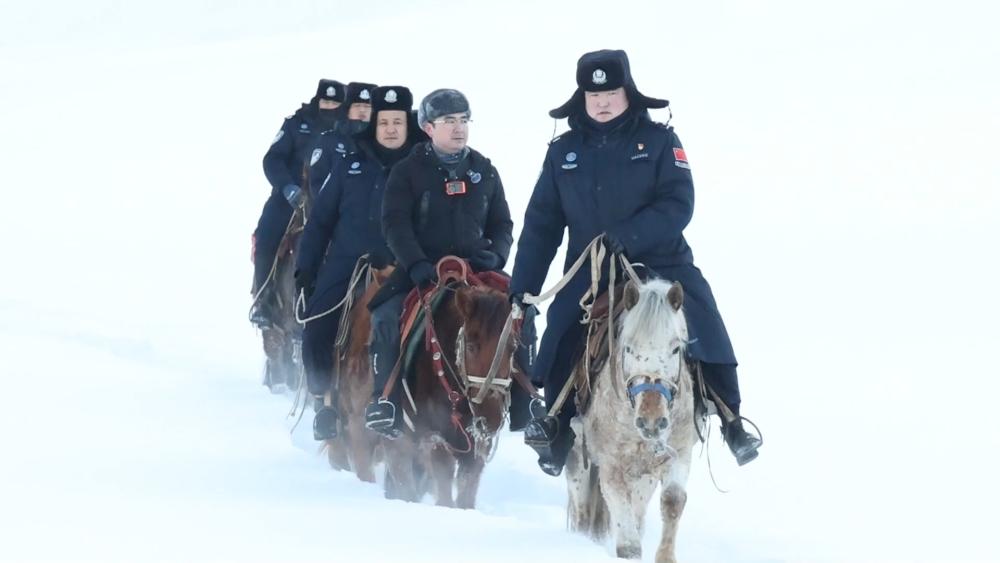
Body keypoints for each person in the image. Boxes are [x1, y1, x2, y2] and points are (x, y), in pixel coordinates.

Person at [508, 49, 763, 476]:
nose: (602, 102)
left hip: (663, 261)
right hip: (591, 269)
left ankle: (732, 420)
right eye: (594, 95)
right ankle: (556, 426)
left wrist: (630, 235)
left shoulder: (660, 141)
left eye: (610, 93)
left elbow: (679, 203)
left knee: (704, 317)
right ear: (582, 98)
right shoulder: (562, 152)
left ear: (628, 93)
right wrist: (523, 287)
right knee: (562, 328)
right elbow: (541, 225)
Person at [362, 88, 537, 439]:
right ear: (428, 128)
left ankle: (525, 402)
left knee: (524, 311)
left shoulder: (484, 170)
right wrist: (415, 263)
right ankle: (386, 402)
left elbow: (502, 224)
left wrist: (496, 255)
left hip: (478, 270)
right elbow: (395, 224)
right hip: (421, 270)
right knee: (384, 315)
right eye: (449, 121)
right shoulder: (406, 172)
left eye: (463, 120)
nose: (459, 128)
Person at [294, 85, 426, 440]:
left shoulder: (420, 167)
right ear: (374, 125)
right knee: (317, 326)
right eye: (384, 122)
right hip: (347, 263)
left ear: (408, 125)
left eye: (397, 122)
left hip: (403, 266)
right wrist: (306, 269)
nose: (391, 130)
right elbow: (320, 222)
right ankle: (324, 401)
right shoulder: (348, 165)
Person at [252, 79, 346, 329]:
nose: (329, 107)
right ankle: (263, 299)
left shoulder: (347, 130)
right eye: (325, 101)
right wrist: (287, 187)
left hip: (334, 199)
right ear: (317, 100)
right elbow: (272, 159)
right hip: (291, 197)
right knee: (268, 234)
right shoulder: (296, 124)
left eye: (335, 103)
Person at [307, 82, 376, 200]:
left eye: (367, 106)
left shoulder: (382, 142)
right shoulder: (329, 140)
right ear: (347, 110)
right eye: (357, 105)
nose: (362, 110)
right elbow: (317, 180)